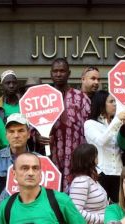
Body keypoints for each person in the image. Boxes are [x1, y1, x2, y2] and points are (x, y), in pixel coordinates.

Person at [45, 58, 91, 186]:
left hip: (76, 156)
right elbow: (32, 125)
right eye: (55, 71)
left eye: (62, 71)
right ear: (50, 73)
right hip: (50, 154)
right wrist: (37, 136)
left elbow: (89, 128)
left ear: (69, 73)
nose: (58, 74)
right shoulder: (43, 97)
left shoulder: (81, 98)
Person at [83, 90, 125, 203]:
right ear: (101, 104)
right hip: (101, 173)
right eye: (111, 101)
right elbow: (101, 141)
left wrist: (124, 128)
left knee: (120, 207)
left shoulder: (117, 123)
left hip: (119, 172)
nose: (115, 104)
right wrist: (117, 120)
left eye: (115, 101)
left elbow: (124, 146)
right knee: (101, 208)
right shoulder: (90, 124)